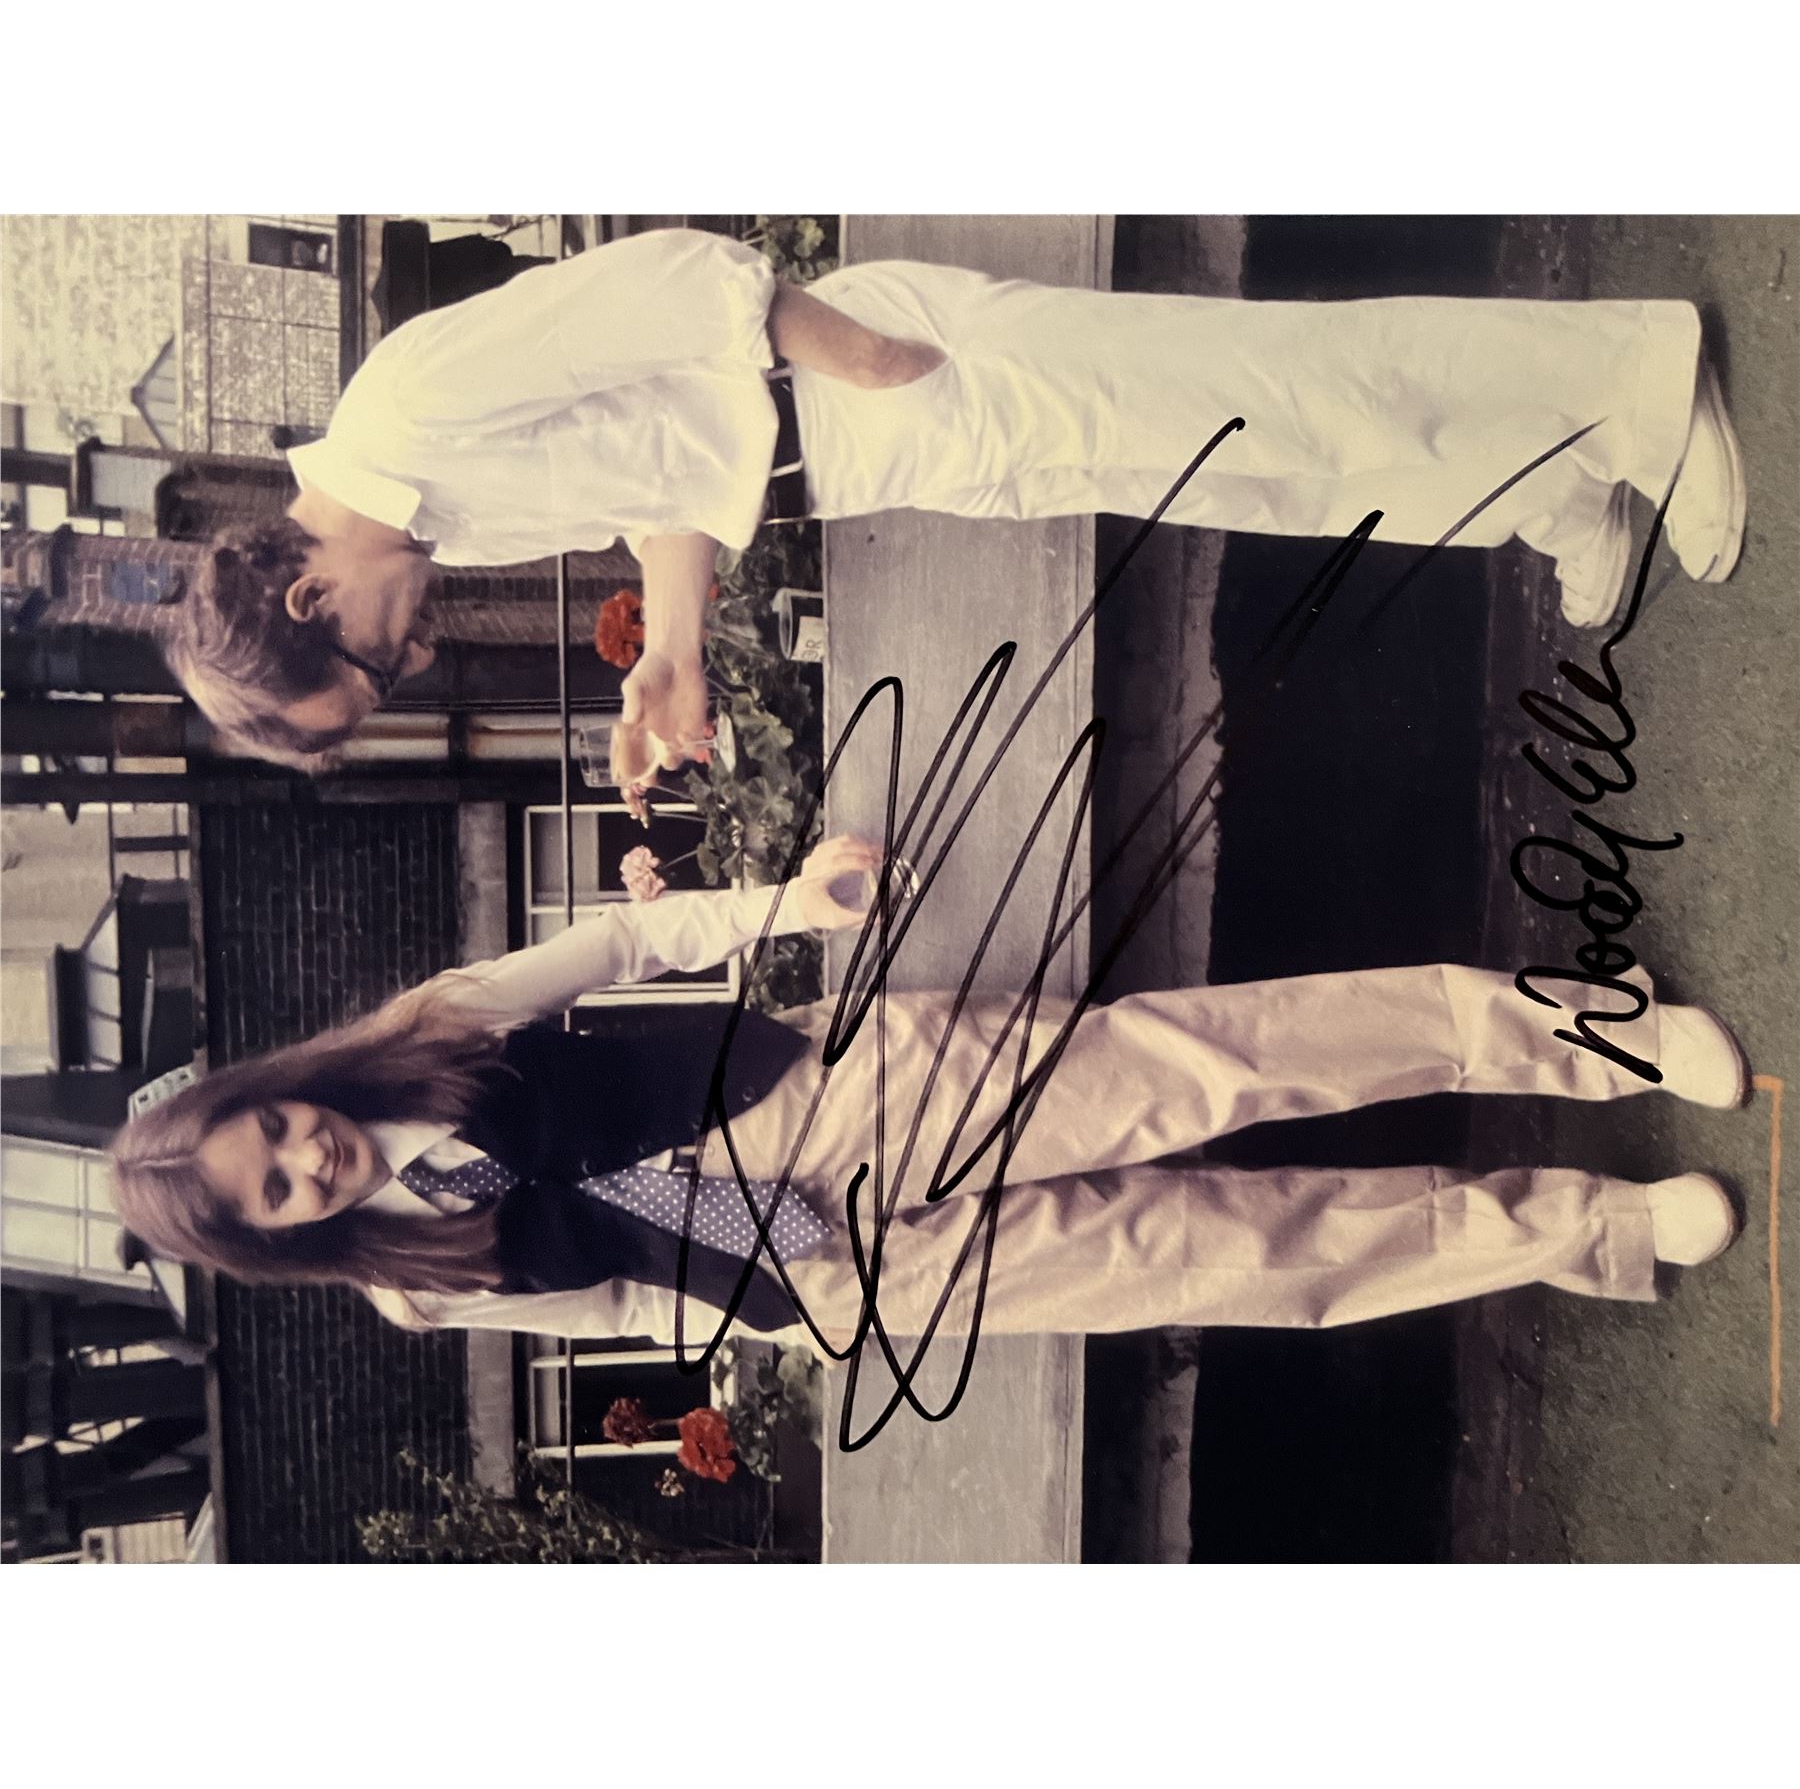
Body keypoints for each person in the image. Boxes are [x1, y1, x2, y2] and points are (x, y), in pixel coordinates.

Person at [164, 228, 1746, 779]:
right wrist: (678, 656)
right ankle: (1555, 491)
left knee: (1291, 388)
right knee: (1256, 473)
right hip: (881, 459)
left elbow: (666, 287)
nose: (414, 656)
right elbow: (665, 473)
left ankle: (1636, 374)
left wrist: (864, 359)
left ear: (307, 596)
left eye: (375, 663)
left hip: (886, 384)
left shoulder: (405, 412)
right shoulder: (428, 517)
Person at [111, 836, 1754, 1358]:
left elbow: (621, 940)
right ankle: (1592, 1231)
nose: (308, 1161)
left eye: (278, 1130)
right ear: (278, 1241)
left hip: (829, 1098)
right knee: (1243, 1259)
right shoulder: (415, 1291)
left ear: (280, 1087)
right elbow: (610, 1302)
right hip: (832, 1278)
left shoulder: (436, 1028)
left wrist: (790, 904)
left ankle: (1597, 1039)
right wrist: (774, 1328)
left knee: (1220, 1063)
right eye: (278, 1194)